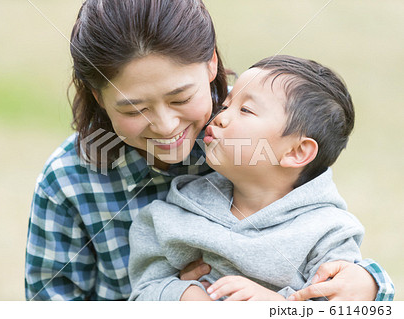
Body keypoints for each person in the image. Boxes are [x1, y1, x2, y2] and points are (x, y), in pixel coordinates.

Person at [25, 0, 394, 301]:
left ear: (211, 63)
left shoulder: (251, 145)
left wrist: (370, 284)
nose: (167, 126)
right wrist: (176, 295)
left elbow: (333, 258)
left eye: (181, 97)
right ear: (99, 98)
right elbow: (50, 302)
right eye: (133, 109)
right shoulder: (69, 181)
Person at [128, 55, 395, 301]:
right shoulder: (175, 213)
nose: (219, 118)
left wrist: (276, 304)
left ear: (296, 151)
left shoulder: (327, 233)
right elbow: (143, 291)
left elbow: (339, 304)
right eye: (225, 106)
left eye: (245, 110)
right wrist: (183, 296)